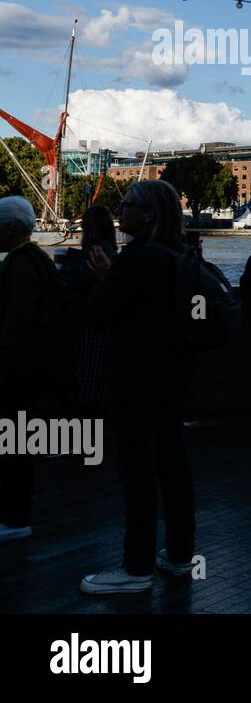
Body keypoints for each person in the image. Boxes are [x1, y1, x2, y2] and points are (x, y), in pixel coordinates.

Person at [81, 181, 196, 592]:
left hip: (136, 378)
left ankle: (136, 567)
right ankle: (181, 556)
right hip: (174, 376)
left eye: (126, 205)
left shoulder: (137, 258)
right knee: (173, 467)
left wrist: (104, 278)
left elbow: (100, 315)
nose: (120, 210)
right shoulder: (181, 253)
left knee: (137, 473)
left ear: (146, 215)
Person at [0, 197, 66, 543]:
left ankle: (14, 517)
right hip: (37, 368)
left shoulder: (18, 266)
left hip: (17, 371)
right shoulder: (40, 260)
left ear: (9, 229)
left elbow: (15, 321)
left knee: (12, 448)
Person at [60, 204, 118, 416]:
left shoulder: (94, 252)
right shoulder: (111, 251)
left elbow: (80, 282)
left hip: (90, 325)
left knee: (86, 382)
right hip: (101, 325)